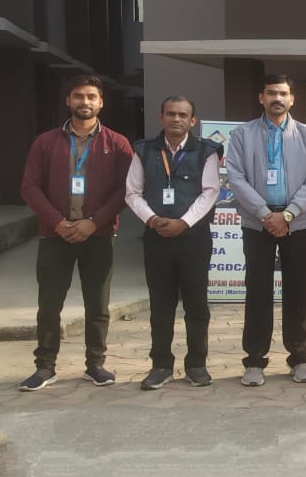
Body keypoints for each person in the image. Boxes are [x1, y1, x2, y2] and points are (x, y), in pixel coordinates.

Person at [18, 75, 134, 391]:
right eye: (79, 96)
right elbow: (29, 187)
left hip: (98, 235)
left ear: (101, 102)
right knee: (49, 305)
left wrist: (94, 222)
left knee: (97, 305)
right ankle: (45, 367)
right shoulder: (45, 142)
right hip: (54, 235)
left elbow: (126, 189)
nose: (85, 101)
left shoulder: (117, 143)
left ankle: (95, 365)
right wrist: (57, 222)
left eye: (92, 96)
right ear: (68, 100)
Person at [225, 73, 306, 386]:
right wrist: (265, 214)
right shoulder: (242, 134)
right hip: (258, 223)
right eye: (271, 93)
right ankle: (255, 360)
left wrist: (289, 214)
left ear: (292, 99)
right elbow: (235, 177)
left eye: (283, 93)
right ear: (261, 98)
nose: (277, 98)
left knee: (297, 290)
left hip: (297, 222)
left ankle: (299, 358)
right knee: (257, 290)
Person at [125, 96, 222, 390]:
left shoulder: (206, 150)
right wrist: (152, 219)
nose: (176, 119)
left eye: (182, 115)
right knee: (161, 305)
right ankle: (161, 365)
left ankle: (196, 365)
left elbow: (210, 191)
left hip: (193, 239)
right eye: (170, 114)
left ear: (192, 121)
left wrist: (184, 222)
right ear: (161, 117)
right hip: (157, 238)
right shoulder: (144, 150)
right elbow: (132, 193)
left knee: (196, 305)